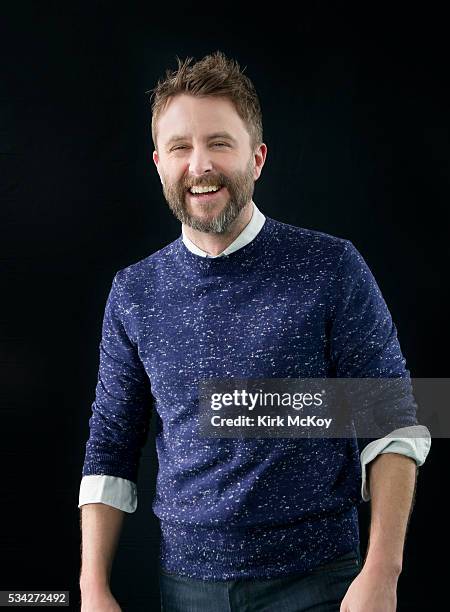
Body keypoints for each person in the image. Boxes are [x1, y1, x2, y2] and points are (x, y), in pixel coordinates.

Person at [78, 51, 431, 612]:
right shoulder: (134, 292)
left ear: (257, 158)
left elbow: (393, 420)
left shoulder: (332, 266)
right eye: (180, 147)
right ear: (158, 163)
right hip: (185, 588)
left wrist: (383, 572)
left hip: (322, 584)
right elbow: (111, 443)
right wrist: (92, 589)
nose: (200, 165)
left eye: (220, 143)